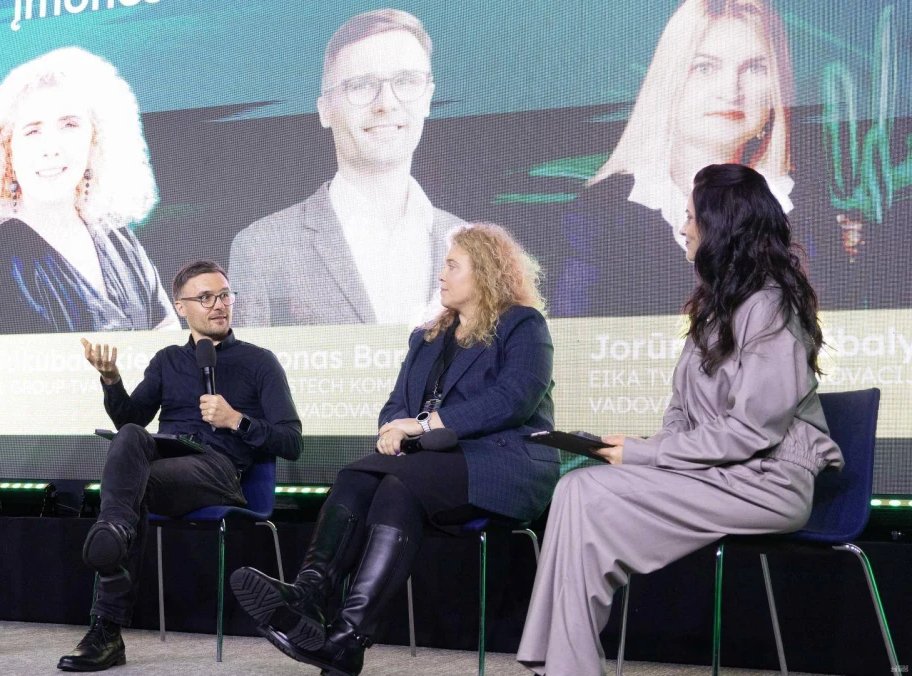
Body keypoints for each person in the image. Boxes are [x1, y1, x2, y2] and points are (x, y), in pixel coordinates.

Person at [518, 164, 844, 675]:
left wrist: (646, 454)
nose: (684, 227)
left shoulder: (772, 308)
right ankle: (563, 664)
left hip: (767, 483)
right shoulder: (715, 309)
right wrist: (646, 454)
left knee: (586, 494)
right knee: (578, 488)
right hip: (721, 475)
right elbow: (681, 411)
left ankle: (562, 666)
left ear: (722, 227)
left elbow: (752, 431)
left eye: (692, 216)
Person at [231, 223, 558, 676]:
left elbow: (514, 398)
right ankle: (312, 596)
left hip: (504, 465)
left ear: (484, 272)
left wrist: (422, 425)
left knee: (401, 483)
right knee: (356, 477)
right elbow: (396, 405)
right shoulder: (425, 339)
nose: (440, 275)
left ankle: (348, 636)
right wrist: (392, 430)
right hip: (431, 468)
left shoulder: (522, 325)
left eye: (451, 265)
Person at [56, 260, 302, 671]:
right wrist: (112, 381)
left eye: (224, 295)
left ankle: (106, 626)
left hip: (219, 470)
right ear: (181, 307)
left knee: (127, 492)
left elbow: (291, 441)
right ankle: (114, 534)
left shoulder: (260, 362)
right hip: (164, 463)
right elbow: (129, 421)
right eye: (206, 297)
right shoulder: (168, 359)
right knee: (131, 436)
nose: (219, 305)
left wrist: (236, 420)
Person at [553, 0, 795, 317]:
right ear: (669, 80)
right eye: (705, 67)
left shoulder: (803, 203)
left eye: (754, 68)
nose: (730, 90)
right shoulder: (601, 211)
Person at [229, 9, 466, 327]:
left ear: (428, 98)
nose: (386, 103)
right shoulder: (262, 247)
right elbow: (245, 374)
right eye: (361, 86)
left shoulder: (474, 246)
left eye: (406, 81)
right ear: (325, 110)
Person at [0, 46, 178, 334]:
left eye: (69, 125)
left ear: (96, 139)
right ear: (6, 150)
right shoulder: (0, 257)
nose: (51, 149)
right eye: (33, 130)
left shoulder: (116, 236)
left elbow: (166, 328)